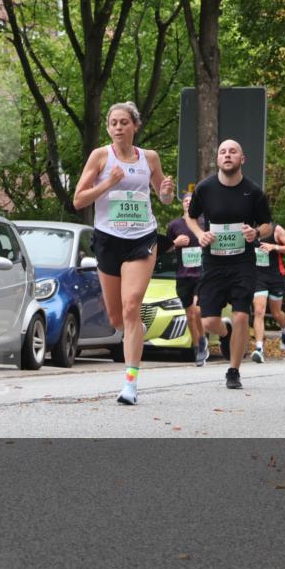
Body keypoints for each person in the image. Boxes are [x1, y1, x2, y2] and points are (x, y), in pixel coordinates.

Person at [73, 101, 175, 405]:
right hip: (108, 239)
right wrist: (109, 183)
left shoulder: (150, 158)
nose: (118, 127)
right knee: (117, 318)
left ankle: (130, 383)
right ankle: (135, 330)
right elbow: (79, 200)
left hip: (141, 238)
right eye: (113, 123)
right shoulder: (100, 156)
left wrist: (167, 191)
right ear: (108, 128)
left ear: (135, 126)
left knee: (132, 305)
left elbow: (163, 196)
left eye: (123, 122)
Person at [185, 139, 272, 390]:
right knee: (208, 322)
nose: (227, 155)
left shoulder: (253, 191)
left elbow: (268, 225)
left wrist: (255, 233)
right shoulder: (205, 188)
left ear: (241, 159)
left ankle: (233, 371)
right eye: (223, 152)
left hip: (243, 262)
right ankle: (225, 333)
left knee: (242, 314)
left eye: (233, 151)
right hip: (213, 262)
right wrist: (200, 234)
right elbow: (191, 218)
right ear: (217, 160)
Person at [166, 191, 208, 366]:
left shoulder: (205, 223)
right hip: (183, 275)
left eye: (191, 200)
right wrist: (175, 243)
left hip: (202, 274)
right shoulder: (174, 225)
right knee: (190, 315)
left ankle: (203, 338)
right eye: (185, 200)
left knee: (197, 311)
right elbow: (163, 249)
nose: (187, 203)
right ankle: (198, 346)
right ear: (182, 204)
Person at [251, 222, 285, 362]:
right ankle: (259, 348)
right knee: (259, 311)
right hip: (257, 276)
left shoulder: (276, 229)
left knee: (276, 313)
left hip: (275, 276)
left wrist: (273, 247)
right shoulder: (247, 229)